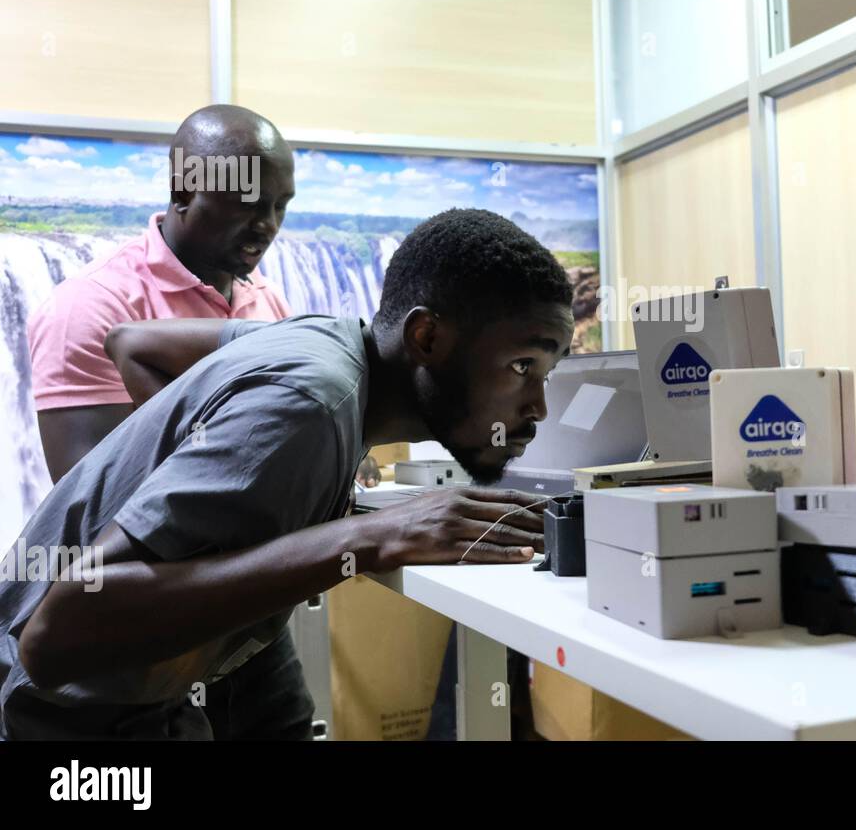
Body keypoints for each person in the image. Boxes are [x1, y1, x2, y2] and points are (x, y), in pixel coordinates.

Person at [0, 209, 573, 739]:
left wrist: (220, 467)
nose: (537, 407)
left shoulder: (324, 341)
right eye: (523, 366)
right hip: (49, 718)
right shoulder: (308, 403)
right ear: (426, 338)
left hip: (137, 701)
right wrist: (368, 536)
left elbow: (138, 344)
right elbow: (53, 638)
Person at [28, 104, 296, 483]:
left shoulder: (267, 298)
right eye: (246, 203)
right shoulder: (90, 307)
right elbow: (90, 500)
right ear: (185, 192)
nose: (268, 224)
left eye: (280, 206)